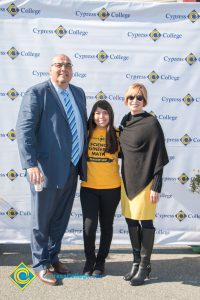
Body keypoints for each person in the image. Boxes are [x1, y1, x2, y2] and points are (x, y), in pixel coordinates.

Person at [16, 54, 87, 285]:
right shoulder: (37, 93)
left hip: (72, 168)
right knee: (42, 218)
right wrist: (30, 164)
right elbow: (25, 130)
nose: (63, 69)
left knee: (60, 218)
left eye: (67, 65)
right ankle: (39, 264)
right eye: (58, 65)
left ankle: (53, 256)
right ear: (50, 69)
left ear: (72, 70)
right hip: (44, 170)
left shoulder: (78, 93)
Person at [119, 83, 169, 286]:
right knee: (131, 221)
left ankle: (145, 266)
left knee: (145, 222)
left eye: (139, 98)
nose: (135, 101)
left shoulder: (152, 123)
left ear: (145, 100)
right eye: (131, 97)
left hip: (147, 181)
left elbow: (158, 156)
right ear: (126, 99)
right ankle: (136, 262)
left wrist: (156, 186)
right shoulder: (125, 121)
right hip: (127, 181)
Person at [80, 100, 121, 276]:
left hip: (112, 189)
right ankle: (89, 260)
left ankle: (100, 262)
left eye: (105, 113)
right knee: (89, 227)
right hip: (89, 188)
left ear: (110, 115)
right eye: (97, 113)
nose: (101, 116)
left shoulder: (118, 134)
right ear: (93, 115)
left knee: (106, 226)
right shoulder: (86, 133)